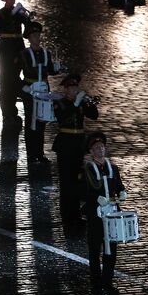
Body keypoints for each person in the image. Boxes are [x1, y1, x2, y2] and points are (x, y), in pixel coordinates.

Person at [80, 132, 126, 294]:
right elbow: (82, 192)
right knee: (94, 249)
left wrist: (122, 192)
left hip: (112, 213)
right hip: (96, 214)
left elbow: (119, 186)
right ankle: (96, 284)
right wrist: (95, 199)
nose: (100, 150)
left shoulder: (112, 167)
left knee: (111, 249)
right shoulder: (87, 169)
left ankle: (107, 282)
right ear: (91, 152)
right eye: (96, 148)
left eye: (102, 147)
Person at [52, 73, 99, 226]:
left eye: (75, 87)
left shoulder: (80, 102)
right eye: (70, 88)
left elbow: (94, 115)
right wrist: (77, 103)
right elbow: (63, 117)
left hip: (78, 144)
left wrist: (89, 103)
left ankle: (76, 215)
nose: (73, 90)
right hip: (65, 144)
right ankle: (67, 216)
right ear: (65, 89)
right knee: (66, 182)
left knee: (77, 179)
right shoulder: (60, 103)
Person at [17, 21, 60, 162]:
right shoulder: (24, 54)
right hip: (30, 90)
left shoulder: (46, 53)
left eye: (38, 34)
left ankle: (39, 152)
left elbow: (51, 71)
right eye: (34, 35)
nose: (37, 37)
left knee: (42, 120)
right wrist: (22, 87)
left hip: (44, 89)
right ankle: (31, 153)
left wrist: (56, 67)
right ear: (29, 38)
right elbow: (21, 72)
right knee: (31, 121)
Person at [0, 0, 31, 125]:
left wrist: (26, 19)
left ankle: (13, 110)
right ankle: (7, 113)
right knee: (6, 81)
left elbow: (27, 32)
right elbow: (4, 25)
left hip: (18, 48)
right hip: (6, 50)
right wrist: (15, 14)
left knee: (15, 78)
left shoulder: (19, 13)